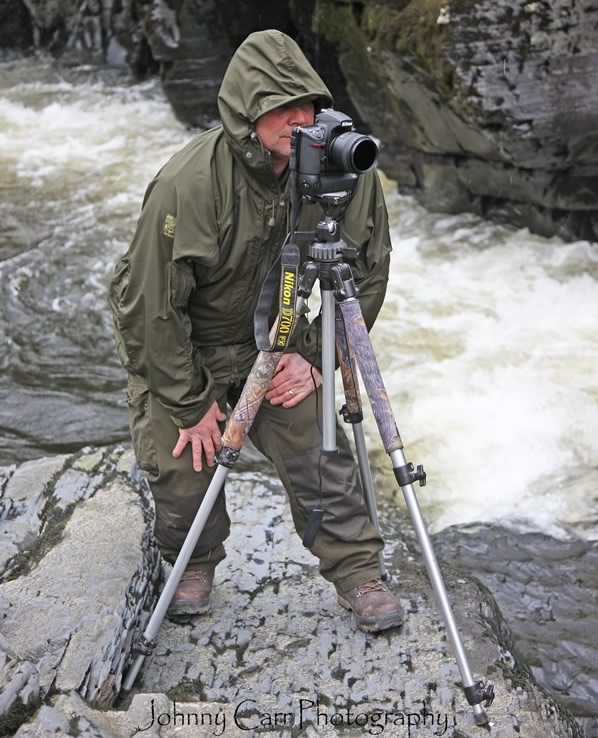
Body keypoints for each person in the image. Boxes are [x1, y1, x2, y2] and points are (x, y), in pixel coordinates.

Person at [108, 29, 403, 632]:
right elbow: (148, 307)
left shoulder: (344, 163)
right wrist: (190, 403)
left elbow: (368, 267)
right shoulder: (189, 184)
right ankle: (194, 559)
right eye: (278, 108)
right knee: (184, 461)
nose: (297, 122)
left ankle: (356, 571)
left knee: (319, 441)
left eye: (307, 106)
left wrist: (319, 355)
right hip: (185, 345)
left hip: (278, 335)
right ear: (246, 113)